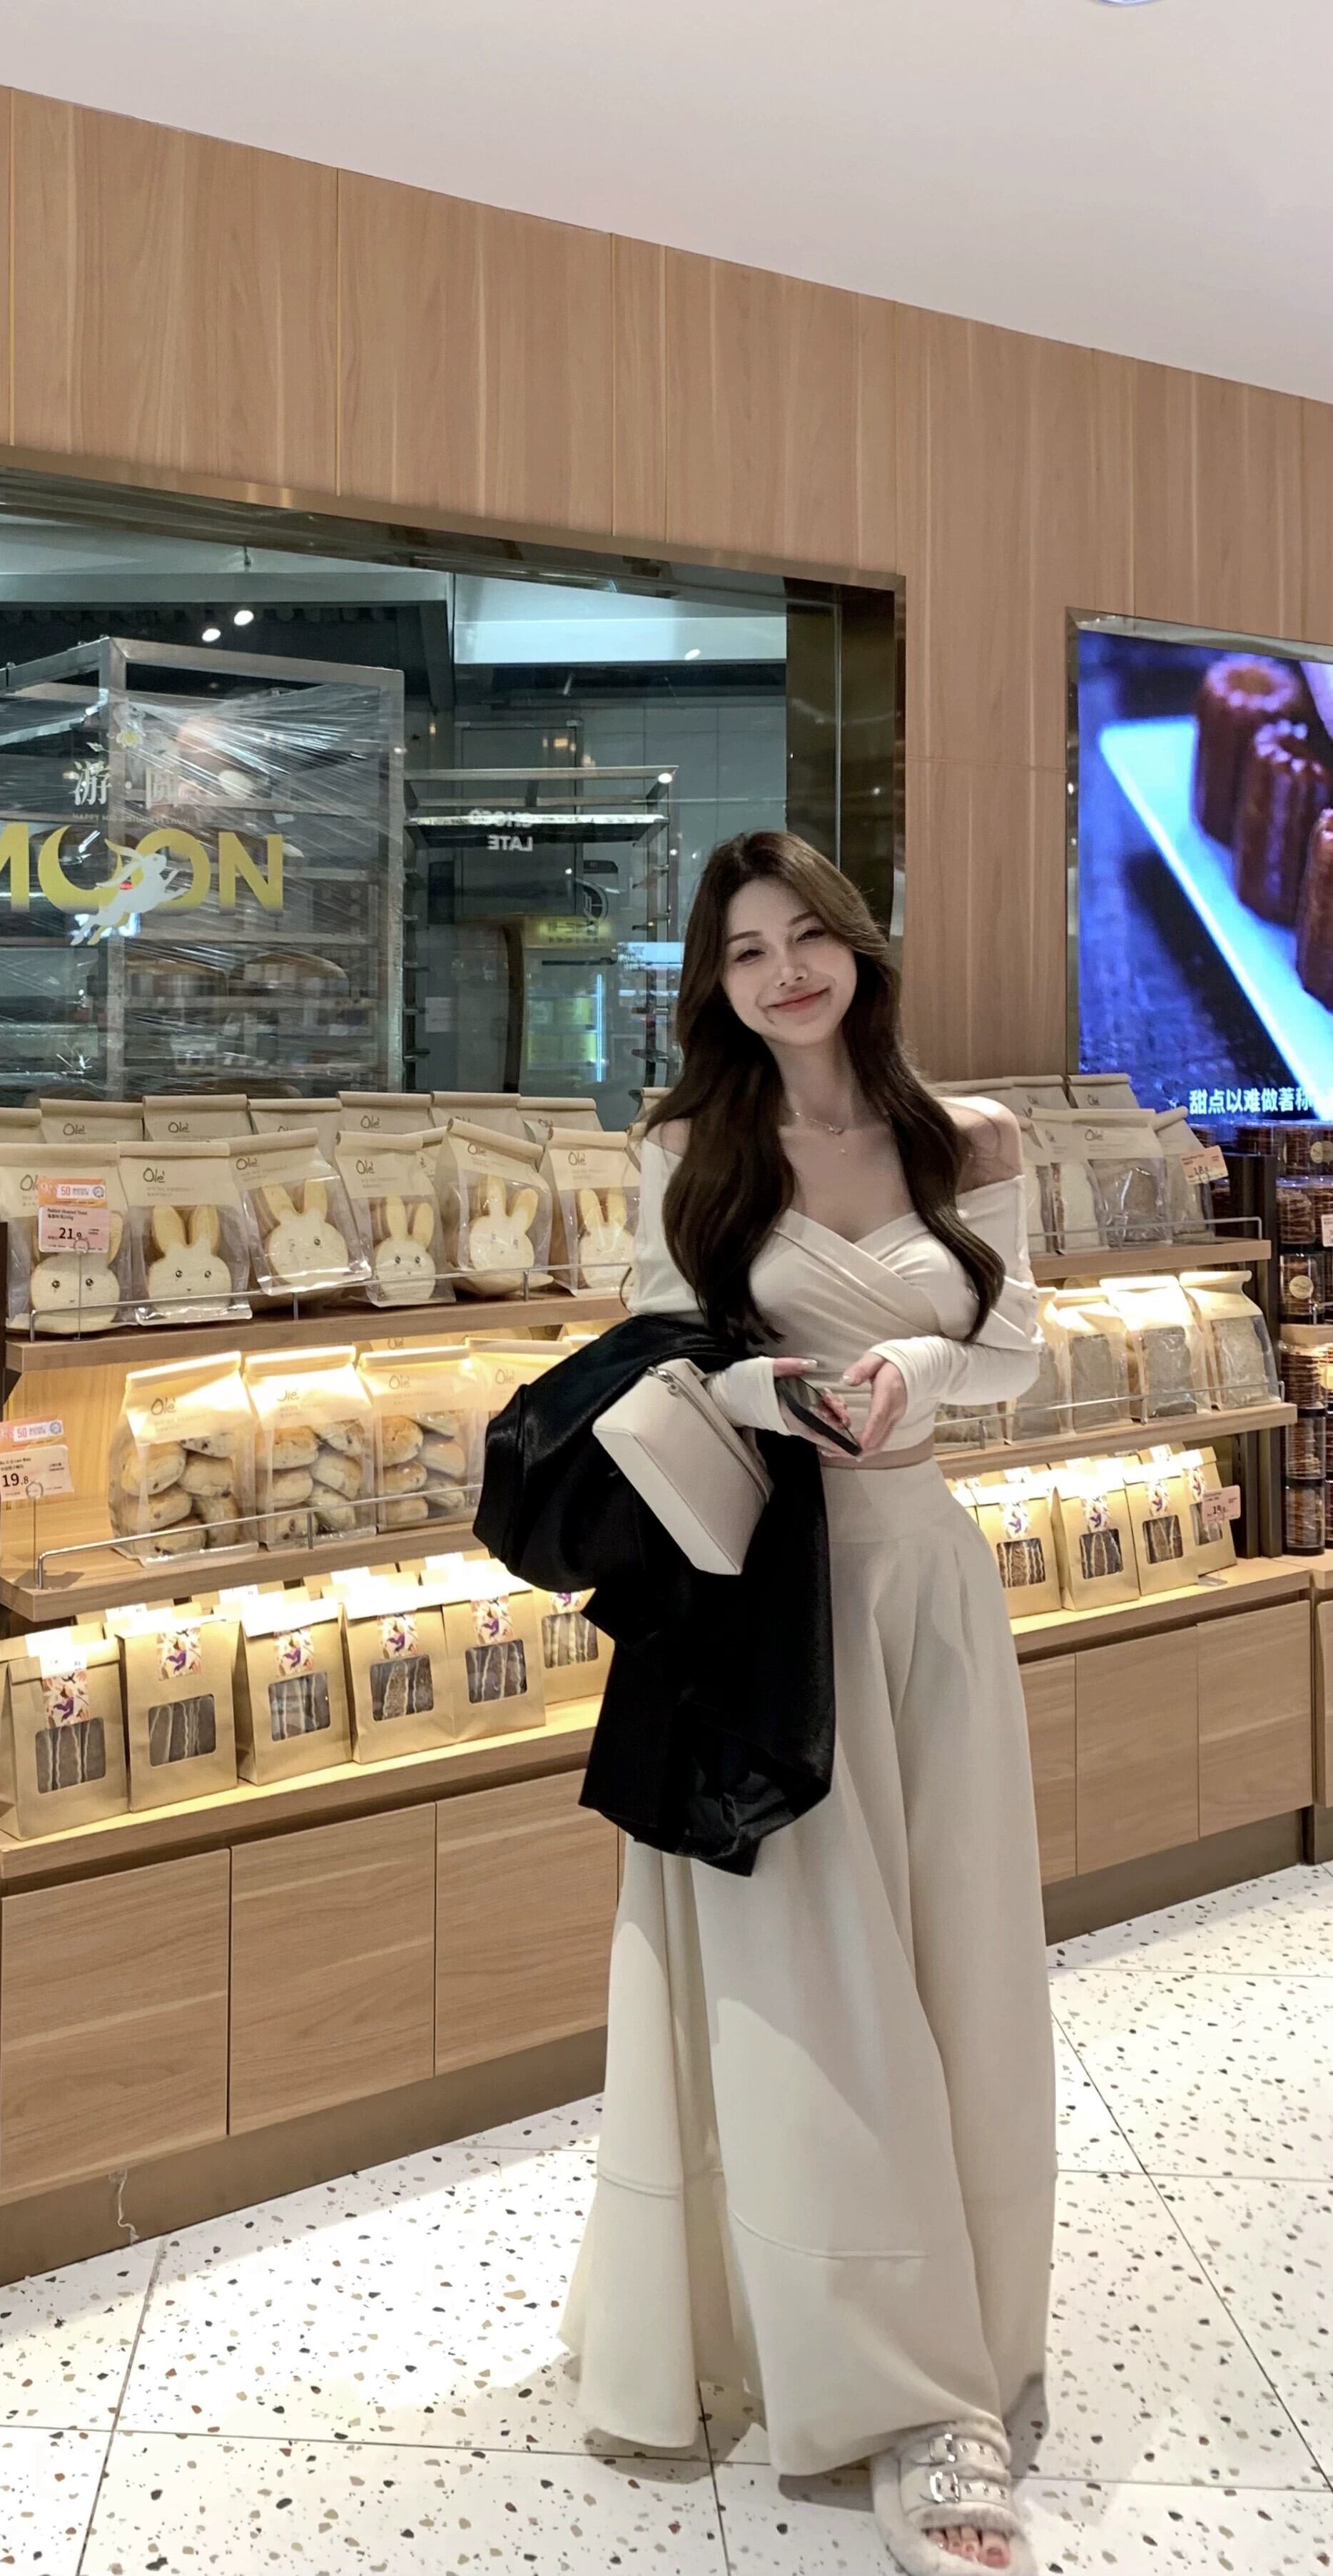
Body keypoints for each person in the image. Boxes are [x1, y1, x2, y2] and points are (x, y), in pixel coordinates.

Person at [560, 831, 1053, 2576]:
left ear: (856, 945)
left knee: (953, 1955)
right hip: (762, 1602)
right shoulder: (687, 1149)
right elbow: (646, 1357)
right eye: (744, 949)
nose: (782, 973)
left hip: (922, 1583)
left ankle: (955, 2340)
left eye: (805, 937)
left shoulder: (970, 1138)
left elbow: (1016, 1343)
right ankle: (893, 2393)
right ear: (716, 980)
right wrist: (774, 1392)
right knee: (805, 1984)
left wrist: (913, 1365)